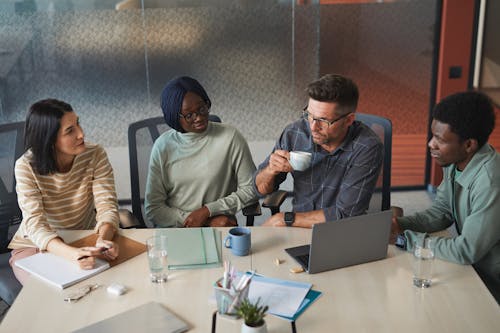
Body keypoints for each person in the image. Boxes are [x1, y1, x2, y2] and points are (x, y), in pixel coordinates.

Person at [390, 91, 500, 303]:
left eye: (440, 139)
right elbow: (442, 211)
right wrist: (400, 224)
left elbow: (466, 250)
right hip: (473, 270)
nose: (431, 144)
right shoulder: (457, 162)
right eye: (433, 135)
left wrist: (405, 239)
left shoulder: (490, 182)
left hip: (491, 282)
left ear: (469, 144)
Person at [8, 99, 120, 285]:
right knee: (49, 294)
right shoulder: (25, 166)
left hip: (84, 238)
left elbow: (107, 205)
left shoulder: (95, 154)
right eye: (70, 130)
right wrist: (72, 254)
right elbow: (35, 224)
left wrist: (103, 240)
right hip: (36, 244)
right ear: (49, 140)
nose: (81, 134)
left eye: (78, 124)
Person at [254, 74, 383, 227]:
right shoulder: (295, 133)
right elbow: (258, 190)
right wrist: (270, 170)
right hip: (299, 227)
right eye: (309, 115)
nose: (313, 127)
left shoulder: (367, 147)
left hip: (340, 230)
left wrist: (285, 219)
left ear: (348, 120)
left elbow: (347, 214)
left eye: (323, 120)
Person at [144, 76, 257, 227]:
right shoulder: (162, 146)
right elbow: (154, 208)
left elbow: (251, 189)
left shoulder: (230, 137)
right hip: (177, 229)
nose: (199, 118)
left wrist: (208, 211)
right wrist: (195, 220)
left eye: (202, 108)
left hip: (220, 225)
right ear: (174, 117)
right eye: (189, 115)